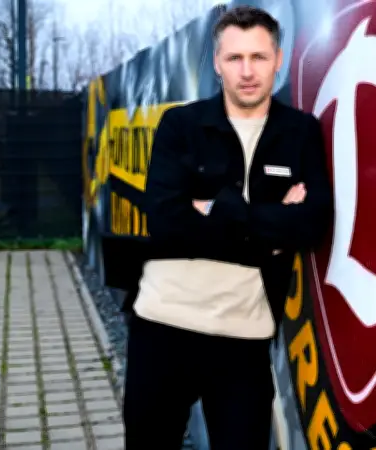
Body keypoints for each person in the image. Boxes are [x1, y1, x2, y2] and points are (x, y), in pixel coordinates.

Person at [121, 5, 333, 450]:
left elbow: (312, 224)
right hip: (162, 325)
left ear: (278, 59)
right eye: (235, 58)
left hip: (243, 337)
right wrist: (269, 228)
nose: (247, 71)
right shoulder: (181, 125)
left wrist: (216, 209)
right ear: (217, 63)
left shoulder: (300, 132)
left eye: (259, 57)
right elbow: (165, 221)